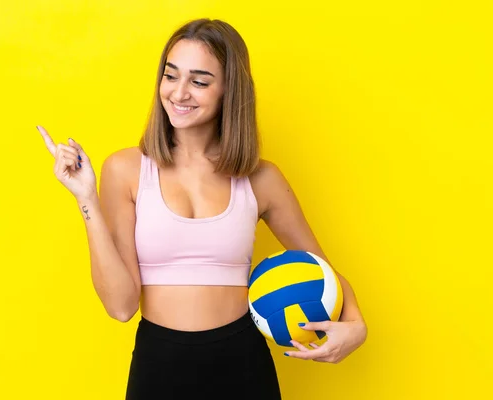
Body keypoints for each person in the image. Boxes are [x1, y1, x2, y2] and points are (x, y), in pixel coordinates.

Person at [37, 18, 367, 400]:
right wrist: (85, 198)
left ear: (229, 89)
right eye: (170, 75)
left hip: (243, 365)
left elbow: (319, 267)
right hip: (158, 366)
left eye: (199, 81)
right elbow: (121, 306)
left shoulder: (261, 178)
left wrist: (356, 324)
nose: (179, 93)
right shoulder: (125, 169)